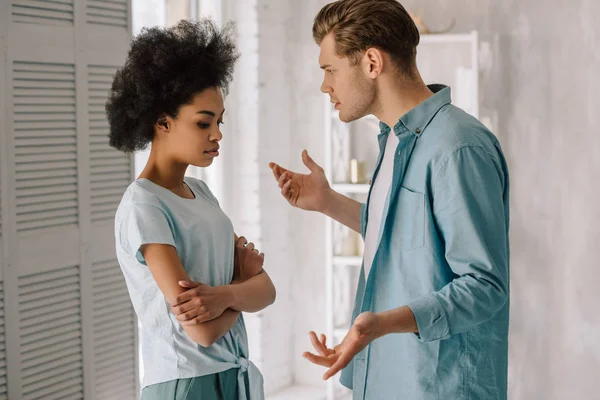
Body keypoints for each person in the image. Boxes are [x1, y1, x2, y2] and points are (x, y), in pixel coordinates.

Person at [269, 0, 510, 399]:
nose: (324, 86)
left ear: (371, 62)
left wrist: (382, 323)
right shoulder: (395, 140)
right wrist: (327, 201)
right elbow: (408, 237)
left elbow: (484, 285)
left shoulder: (457, 147)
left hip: (439, 386)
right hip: (388, 377)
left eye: (330, 70)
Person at [108, 20, 275, 400]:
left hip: (234, 375)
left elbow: (268, 290)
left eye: (219, 121)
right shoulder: (143, 206)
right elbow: (201, 331)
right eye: (203, 123)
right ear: (163, 122)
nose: (217, 134)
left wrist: (225, 297)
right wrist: (240, 290)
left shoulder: (201, 193)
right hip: (187, 385)